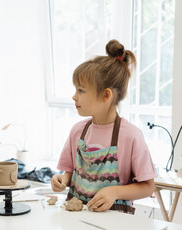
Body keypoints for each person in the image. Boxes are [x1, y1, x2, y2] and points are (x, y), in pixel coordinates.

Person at [50, 40, 156, 214]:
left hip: (114, 223)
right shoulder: (78, 131)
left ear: (106, 95)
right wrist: (62, 179)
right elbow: (69, 173)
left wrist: (114, 191)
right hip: (76, 221)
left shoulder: (131, 136)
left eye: (81, 91)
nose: (74, 97)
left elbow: (148, 187)